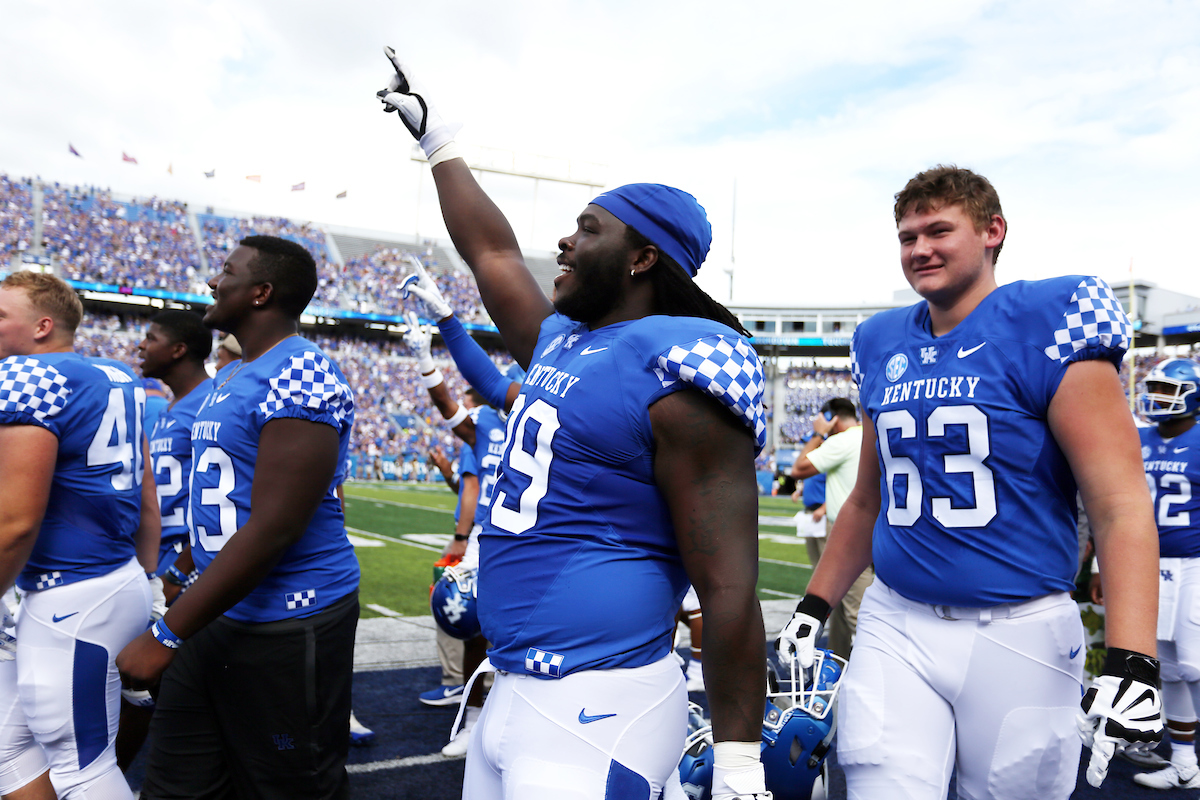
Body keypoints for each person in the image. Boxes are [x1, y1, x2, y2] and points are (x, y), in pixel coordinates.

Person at [379, 50, 769, 800]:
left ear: (642, 258)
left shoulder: (673, 371)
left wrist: (739, 765)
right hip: (516, 687)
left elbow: (728, 587)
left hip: (598, 702)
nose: (563, 242)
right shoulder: (563, 339)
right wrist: (442, 145)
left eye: (587, 229)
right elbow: (489, 251)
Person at [775, 165, 1163, 797]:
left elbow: (1119, 503)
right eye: (906, 236)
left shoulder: (1048, 321)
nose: (919, 248)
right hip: (895, 619)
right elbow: (868, 501)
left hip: (1020, 628)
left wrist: (1134, 658)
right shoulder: (880, 341)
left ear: (992, 232)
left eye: (938, 230)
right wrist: (815, 605)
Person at [116, 235, 359, 800]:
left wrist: (167, 632)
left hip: (288, 617)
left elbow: (275, 527)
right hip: (219, 606)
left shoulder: (303, 372)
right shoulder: (227, 376)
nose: (212, 281)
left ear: (261, 292)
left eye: (227, 271)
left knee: (289, 787)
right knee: (175, 783)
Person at [0, 270, 155, 800]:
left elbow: (16, 521)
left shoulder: (29, 377)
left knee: (81, 766)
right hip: (113, 580)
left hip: (71, 593)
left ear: (42, 326)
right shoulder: (116, 376)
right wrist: (146, 570)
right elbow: (147, 490)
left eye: (3, 315)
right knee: (10, 748)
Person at [116, 309, 214, 771]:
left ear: (178, 349)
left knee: (167, 696)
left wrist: (182, 568)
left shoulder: (212, 403)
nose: (141, 345)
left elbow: (226, 501)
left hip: (188, 573)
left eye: (150, 337)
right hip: (161, 568)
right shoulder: (172, 405)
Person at [1105, 358, 1200, 790]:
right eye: (1155, 389)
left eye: (1167, 390)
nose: (1157, 398)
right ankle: (1184, 764)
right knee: (1174, 668)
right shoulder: (1138, 438)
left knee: (1196, 666)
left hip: (1194, 565)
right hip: (1149, 564)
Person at [789, 397, 869, 659]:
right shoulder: (866, 435)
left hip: (847, 531)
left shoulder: (842, 440)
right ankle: (841, 663)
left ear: (832, 417)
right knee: (843, 610)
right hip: (869, 528)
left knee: (855, 610)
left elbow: (798, 468)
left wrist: (817, 433)